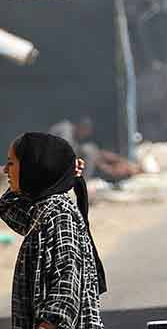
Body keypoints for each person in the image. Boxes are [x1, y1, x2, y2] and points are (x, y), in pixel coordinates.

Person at [2, 133, 107, 329]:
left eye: (12, 164)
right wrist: (60, 172)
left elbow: (66, 286)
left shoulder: (59, 214)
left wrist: (48, 325)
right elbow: (7, 208)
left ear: (33, 167)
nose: (6, 170)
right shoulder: (41, 211)